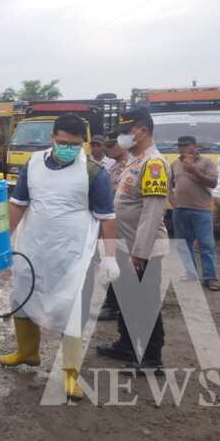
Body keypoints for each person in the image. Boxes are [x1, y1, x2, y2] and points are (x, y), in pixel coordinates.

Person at [0, 113, 118, 401]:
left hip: (72, 253)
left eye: (75, 144)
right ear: (52, 138)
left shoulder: (94, 172)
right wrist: (3, 239)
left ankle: (70, 375)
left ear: (83, 143)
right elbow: (18, 203)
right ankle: (28, 353)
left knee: (70, 309)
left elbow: (107, 217)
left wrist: (110, 256)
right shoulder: (33, 164)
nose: (69, 148)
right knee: (22, 297)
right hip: (33, 247)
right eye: (63, 142)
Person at [97, 107, 169, 372]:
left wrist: (141, 252)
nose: (122, 137)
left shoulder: (154, 165)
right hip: (126, 245)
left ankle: (151, 358)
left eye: (127, 132)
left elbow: (153, 212)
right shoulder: (134, 161)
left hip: (143, 249)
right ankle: (126, 344)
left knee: (145, 301)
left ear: (143, 131)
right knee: (126, 297)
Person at [169, 136, 220, 290]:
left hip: (201, 209)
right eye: (180, 146)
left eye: (186, 145)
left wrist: (194, 170)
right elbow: (170, 184)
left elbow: (213, 182)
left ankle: (210, 278)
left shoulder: (206, 162)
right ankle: (190, 274)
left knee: (206, 244)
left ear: (195, 146)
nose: (182, 148)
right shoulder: (174, 164)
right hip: (180, 210)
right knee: (184, 244)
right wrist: (172, 200)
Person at [98, 133, 132, 320]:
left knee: (120, 265)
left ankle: (114, 306)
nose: (108, 149)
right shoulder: (113, 166)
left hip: (124, 224)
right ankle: (112, 303)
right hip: (113, 222)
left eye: (112, 146)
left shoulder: (129, 166)